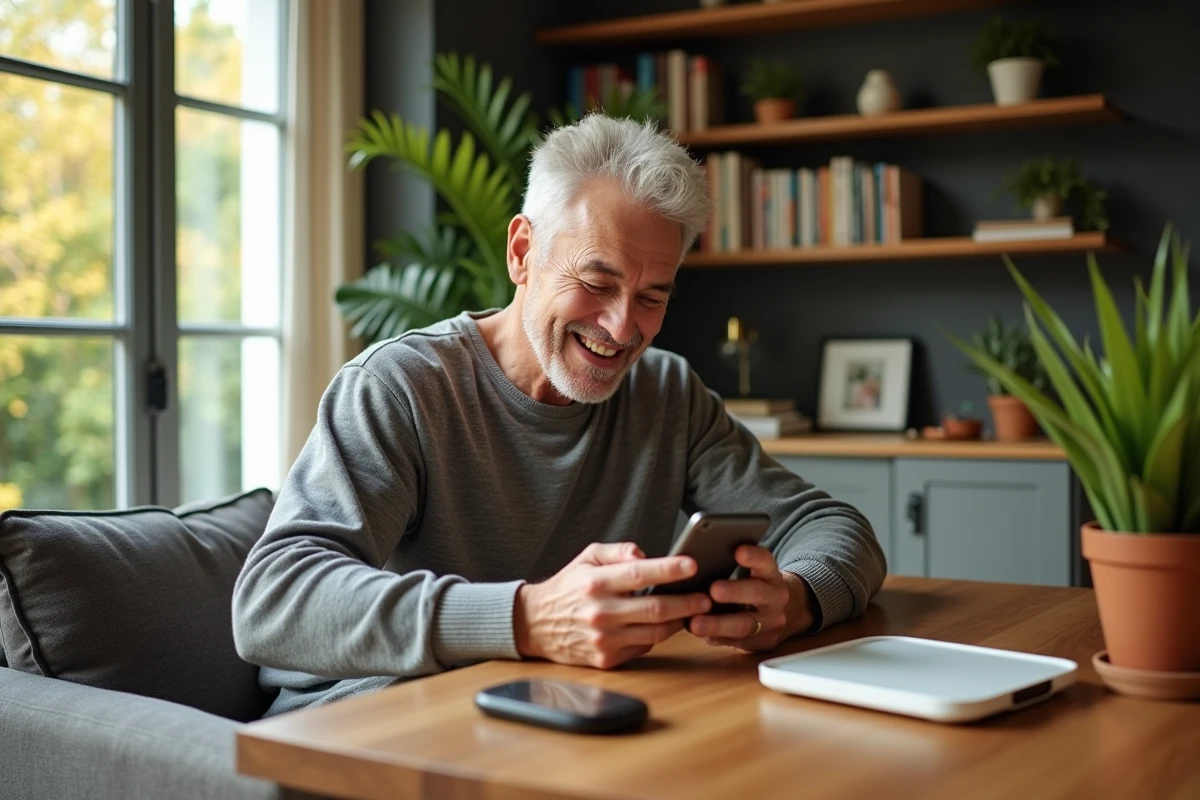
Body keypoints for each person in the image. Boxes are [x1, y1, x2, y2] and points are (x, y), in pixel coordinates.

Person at [233, 114, 887, 717]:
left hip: (545, 716)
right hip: (368, 724)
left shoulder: (665, 394)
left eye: (652, 296)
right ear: (522, 252)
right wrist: (526, 618)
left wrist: (796, 601)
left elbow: (831, 527)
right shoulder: (402, 387)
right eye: (597, 284)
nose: (623, 326)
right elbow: (274, 602)